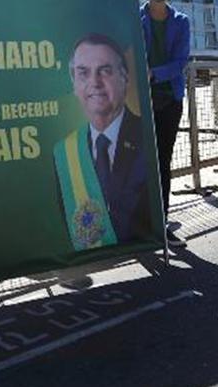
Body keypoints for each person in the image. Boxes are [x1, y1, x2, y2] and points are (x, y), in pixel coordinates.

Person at [53, 33, 152, 251]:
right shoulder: (64, 152)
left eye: (105, 71)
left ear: (124, 77)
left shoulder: (147, 137)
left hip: (141, 253)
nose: (95, 83)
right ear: (74, 83)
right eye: (83, 73)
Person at [140, 0, 190, 248]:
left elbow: (181, 61)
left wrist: (154, 73)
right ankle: (139, 223)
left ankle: (161, 224)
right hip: (139, 101)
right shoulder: (134, 19)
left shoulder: (181, 21)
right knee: (138, 162)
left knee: (162, 161)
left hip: (169, 100)